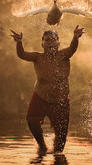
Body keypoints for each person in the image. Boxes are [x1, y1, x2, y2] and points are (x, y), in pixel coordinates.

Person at [11, 25, 85, 155]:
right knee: (31, 120)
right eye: (47, 40)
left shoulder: (63, 55)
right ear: (42, 44)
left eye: (53, 40)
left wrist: (75, 38)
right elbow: (22, 54)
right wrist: (19, 43)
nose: (50, 42)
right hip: (41, 96)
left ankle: (56, 155)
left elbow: (73, 48)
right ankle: (42, 146)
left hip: (61, 100)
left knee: (60, 145)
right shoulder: (37, 57)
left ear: (58, 43)